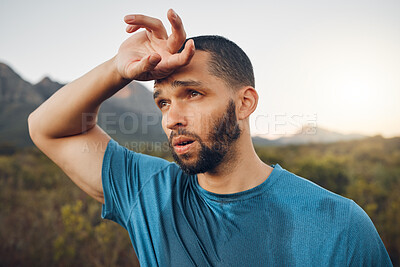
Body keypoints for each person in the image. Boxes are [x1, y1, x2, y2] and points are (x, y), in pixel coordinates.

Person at [28, 9, 392, 266]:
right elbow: (46, 128)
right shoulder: (150, 192)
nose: (172, 118)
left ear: (244, 103)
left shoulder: (338, 225)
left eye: (192, 94)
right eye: (163, 102)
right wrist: (116, 69)